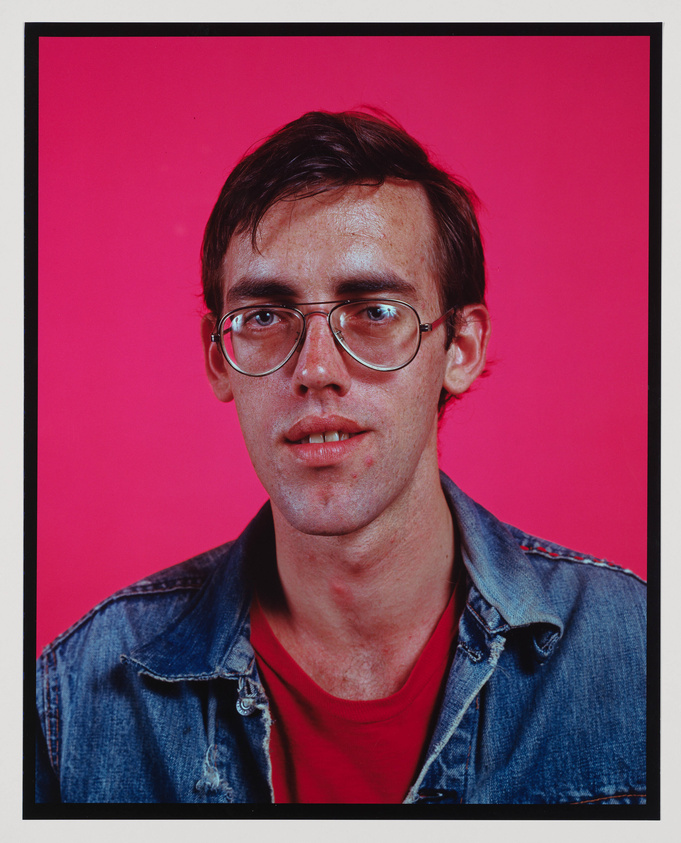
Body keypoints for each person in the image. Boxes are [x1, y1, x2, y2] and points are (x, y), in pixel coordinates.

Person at [35, 110, 646, 805]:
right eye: (265, 315)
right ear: (218, 358)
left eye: (374, 310)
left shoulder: (637, 653)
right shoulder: (76, 701)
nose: (315, 369)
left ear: (460, 349)